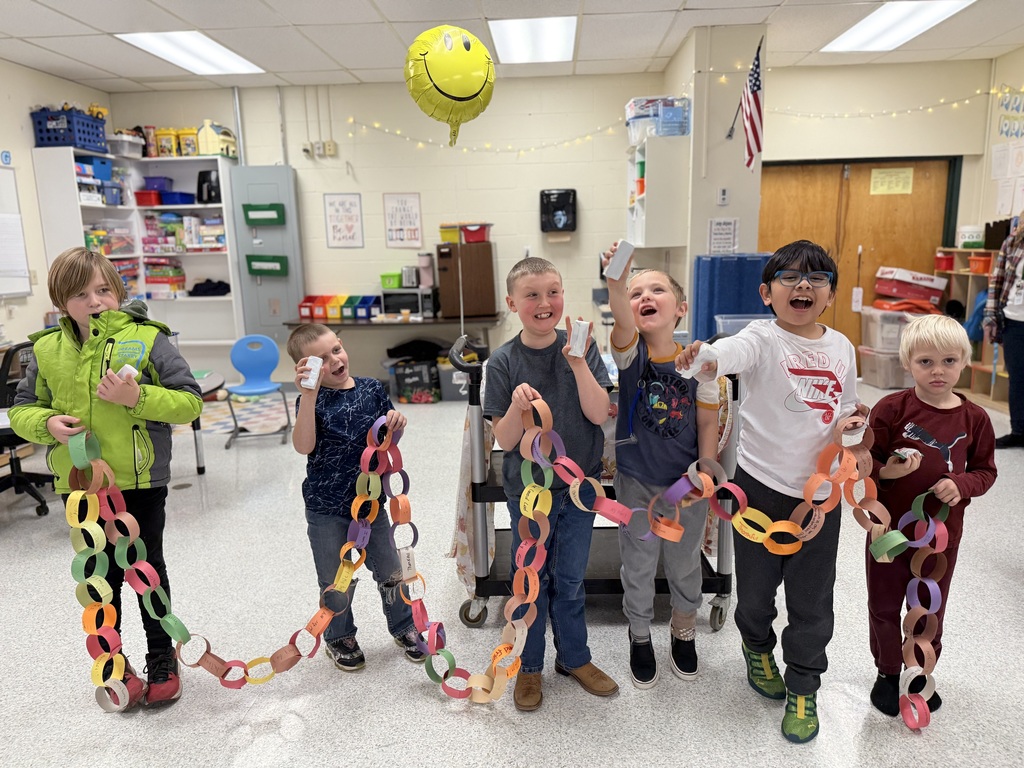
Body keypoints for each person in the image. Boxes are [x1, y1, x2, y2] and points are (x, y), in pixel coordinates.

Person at [676, 240, 860, 743]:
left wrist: (854, 426)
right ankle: (756, 646)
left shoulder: (842, 347)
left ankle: (803, 684)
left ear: (830, 295)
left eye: (817, 278)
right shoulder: (761, 337)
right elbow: (728, 354)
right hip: (759, 489)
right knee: (756, 595)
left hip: (820, 498)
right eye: (791, 278)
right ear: (766, 293)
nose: (804, 285)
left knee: (813, 600)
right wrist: (706, 356)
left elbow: (847, 406)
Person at [9, 246, 202, 709]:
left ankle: (161, 656)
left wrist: (137, 396)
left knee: (146, 570)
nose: (95, 301)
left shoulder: (147, 339)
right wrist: (46, 425)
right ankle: (114, 661)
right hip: (82, 485)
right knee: (102, 577)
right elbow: (22, 409)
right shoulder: (45, 350)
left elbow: (190, 401)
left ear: (117, 290)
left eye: (103, 290)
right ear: (60, 302)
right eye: (80, 294)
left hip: (139, 480)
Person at [483, 256, 616, 712]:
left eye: (553, 292)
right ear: (512, 303)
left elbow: (599, 414)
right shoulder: (503, 362)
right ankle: (531, 665)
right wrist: (519, 412)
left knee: (571, 578)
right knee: (530, 580)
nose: (545, 303)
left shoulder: (581, 348)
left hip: (579, 485)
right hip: (528, 490)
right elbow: (502, 440)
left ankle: (575, 658)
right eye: (532, 295)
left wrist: (578, 363)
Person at [600, 242, 720, 689]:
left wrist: (706, 468)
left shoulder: (701, 361)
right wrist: (617, 281)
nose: (644, 297)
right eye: (636, 293)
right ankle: (639, 634)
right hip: (636, 482)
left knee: (686, 560)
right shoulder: (631, 356)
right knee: (639, 561)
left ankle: (684, 628)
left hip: (686, 484)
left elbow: (708, 417)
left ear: (681, 308)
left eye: (656, 290)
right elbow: (621, 319)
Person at [865, 315, 996, 716]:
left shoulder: (975, 419)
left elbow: (985, 470)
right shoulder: (891, 408)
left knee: (931, 607)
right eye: (925, 362)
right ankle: (888, 672)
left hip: (941, 537)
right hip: (889, 530)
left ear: (964, 362)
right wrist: (890, 470)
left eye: (948, 361)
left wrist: (962, 484)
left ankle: (919, 670)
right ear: (907, 363)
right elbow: (866, 465)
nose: (938, 371)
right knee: (884, 605)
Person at [287, 323, 425, 672]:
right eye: (320, 359)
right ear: (307, 368)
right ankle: (339, 637)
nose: (333, 360)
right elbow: (304, 445)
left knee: (391, 569)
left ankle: (405, 626)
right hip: (326, 508)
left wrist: (398, 424)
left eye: (335, 350)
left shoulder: (372, 388)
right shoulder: (311, 400)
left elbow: (387, 438)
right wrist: (307, 395)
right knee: (336, 580)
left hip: (370, 505)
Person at [983, 215, 1024, 448]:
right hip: (1014, 319)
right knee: (1017, 378)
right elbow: (996, 281)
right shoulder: (1013, 241)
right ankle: (1019, 431)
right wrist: (990, 317)